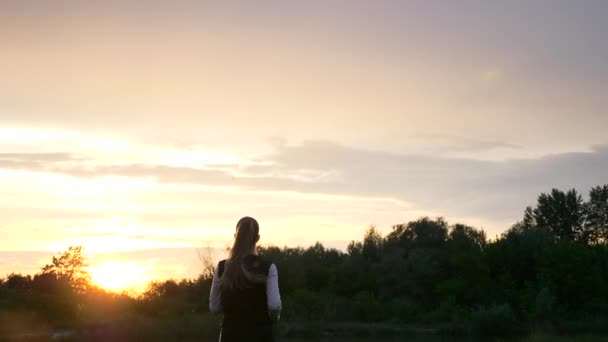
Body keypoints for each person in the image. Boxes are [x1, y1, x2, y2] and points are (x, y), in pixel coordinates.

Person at [209, 216, 282, 342]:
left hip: (230, 336)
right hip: (261, 336)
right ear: (257, 238)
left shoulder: (221, 267)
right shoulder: (268, 267)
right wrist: (274, 319)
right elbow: (274, 306)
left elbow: (215, 307)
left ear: (235, 236)